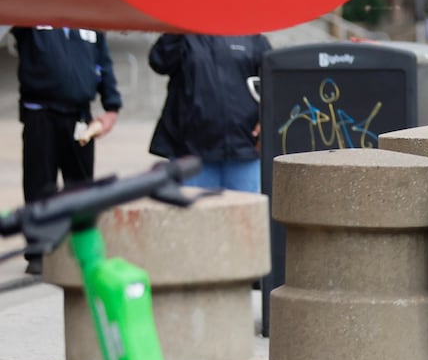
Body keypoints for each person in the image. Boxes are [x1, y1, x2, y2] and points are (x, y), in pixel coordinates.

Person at [14, 25, 122, 275]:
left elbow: (102, 59)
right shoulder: (33, 14)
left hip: (79, 114)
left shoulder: (86, 16)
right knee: (40, 185)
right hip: (40, 112)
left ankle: (82, 248)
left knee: (82, 186)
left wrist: (111, 106)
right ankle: (39, 252)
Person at [147, 33, 272, 192]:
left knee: (246, 215)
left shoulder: (251, 36)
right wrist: (178, 24)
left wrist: (266, 120)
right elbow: (159, 61)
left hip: (244, 149)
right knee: (195, 215)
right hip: (192, 153)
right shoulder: (184, 35)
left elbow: (273, 83)